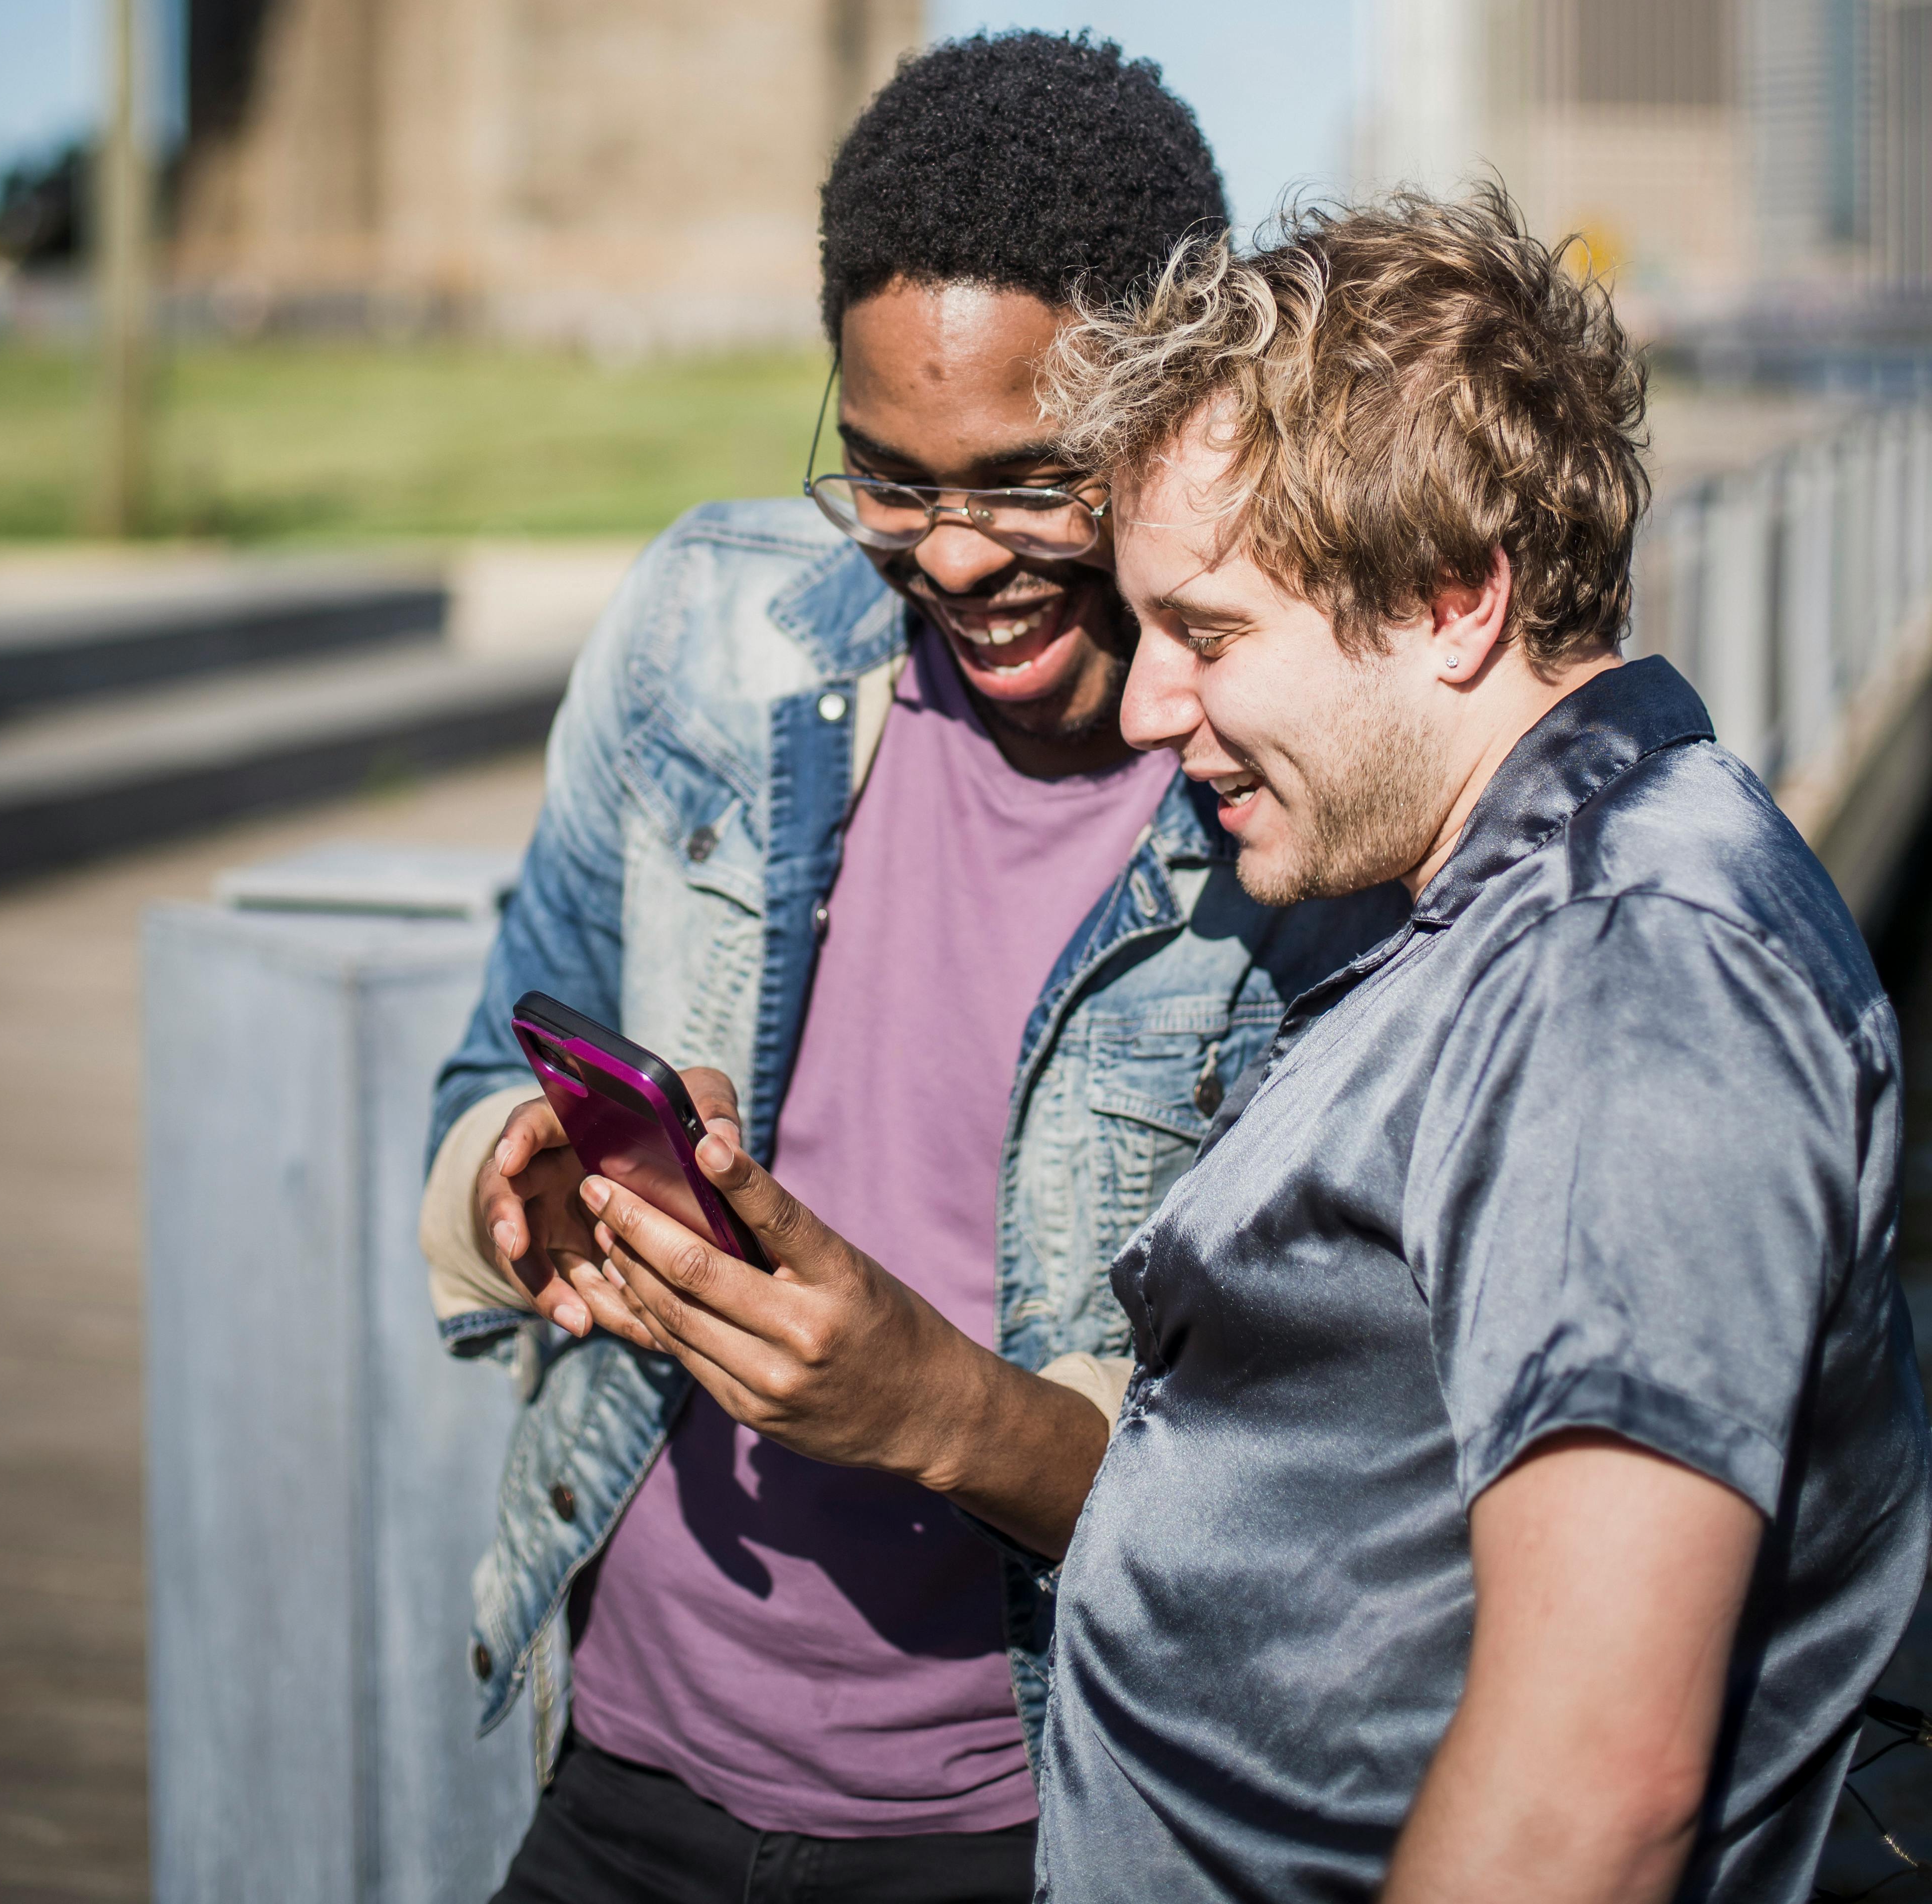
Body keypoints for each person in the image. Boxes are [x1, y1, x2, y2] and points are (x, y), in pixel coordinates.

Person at [581, 188, 1931, 1904]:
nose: (1152, 707)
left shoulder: (1629, 980)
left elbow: (1590, 1793)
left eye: (1209, 636)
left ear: (1454, 598)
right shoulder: (1492, 905)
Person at [419, 33, 1402, 1904]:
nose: (954, 553)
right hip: (626, 1759)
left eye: (1037, 486)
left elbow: (1333, 1499)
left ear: (1178, 411)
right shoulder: (702, 630)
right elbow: (487, 1065)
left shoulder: (1311, 788)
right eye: (886, 480)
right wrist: (517, 1189)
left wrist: (940, 1411)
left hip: (1039, 1824)